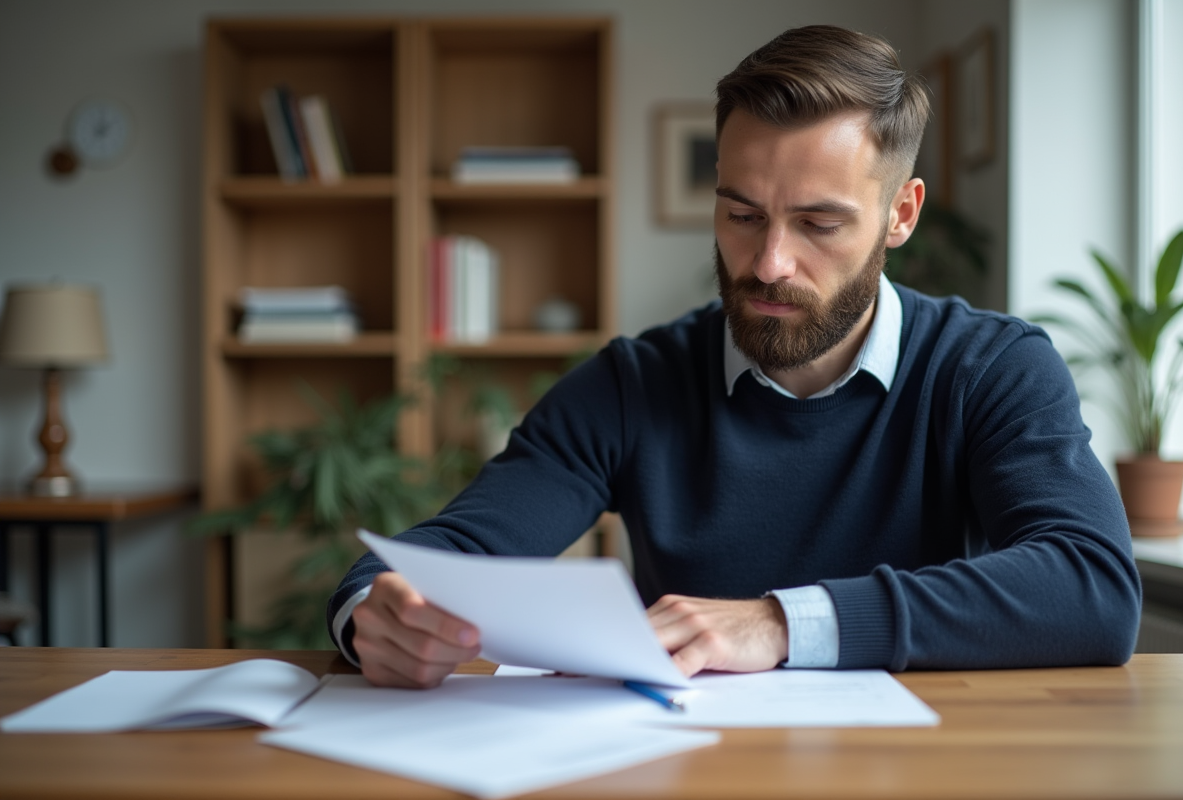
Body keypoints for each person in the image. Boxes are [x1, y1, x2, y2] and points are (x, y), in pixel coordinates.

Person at [328, 25, 1141, 689]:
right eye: (742, 215)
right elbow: (455, 551)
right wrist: (374, 614)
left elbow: (1092, 586)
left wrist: (781, 622)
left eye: (819, 224)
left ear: (901, 214)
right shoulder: (633, 384)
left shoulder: (990, 368)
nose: (770, 263)